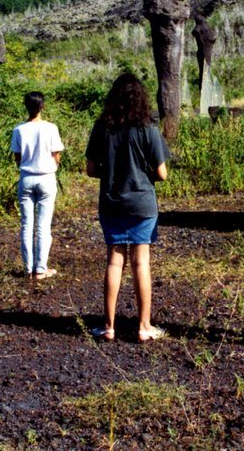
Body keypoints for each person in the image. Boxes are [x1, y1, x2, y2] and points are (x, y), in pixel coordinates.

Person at [85, 73, 170, 342]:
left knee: (114, 261)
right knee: (141, 262)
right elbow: (162, 173)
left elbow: (90, 169)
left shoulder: (102, 127)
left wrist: (111, 172)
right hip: (142, 203)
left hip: (111, 201)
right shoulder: (149, 129)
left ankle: (108, 326)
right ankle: (144, 326)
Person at [10, 91, 64, 279]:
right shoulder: (51, 128)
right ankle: (40, 268)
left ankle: (28, 268)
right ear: (42, 106)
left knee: (26, 224)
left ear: (26, 106)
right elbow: (56, 154)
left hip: (26, 177)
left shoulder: (19, 129)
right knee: (43, 225)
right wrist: (54, 165)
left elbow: (17, 157)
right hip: (46, 177)